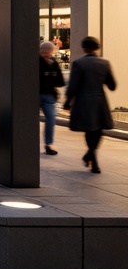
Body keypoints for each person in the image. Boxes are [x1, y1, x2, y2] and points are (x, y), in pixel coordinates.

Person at [64, 35, 117, 174]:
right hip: (99, 100)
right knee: (98, 130)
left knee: (89, 129)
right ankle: (92, 157)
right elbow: (112, 85)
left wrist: (67, 102)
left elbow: (73, 85)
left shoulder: (78, 64)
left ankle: (91, 156)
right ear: (97, 48)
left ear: (84, 48)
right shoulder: (105, 63)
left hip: (83, 100)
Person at [39, 40, 64, 156]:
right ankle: (43, 143)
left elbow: (60, 80)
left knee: (51, 119)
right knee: (49, 119)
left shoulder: (53, 63)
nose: (47, 54)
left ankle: (49, 144)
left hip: (49, 95)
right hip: (39, 95)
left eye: (48, 51)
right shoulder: (37, 62)